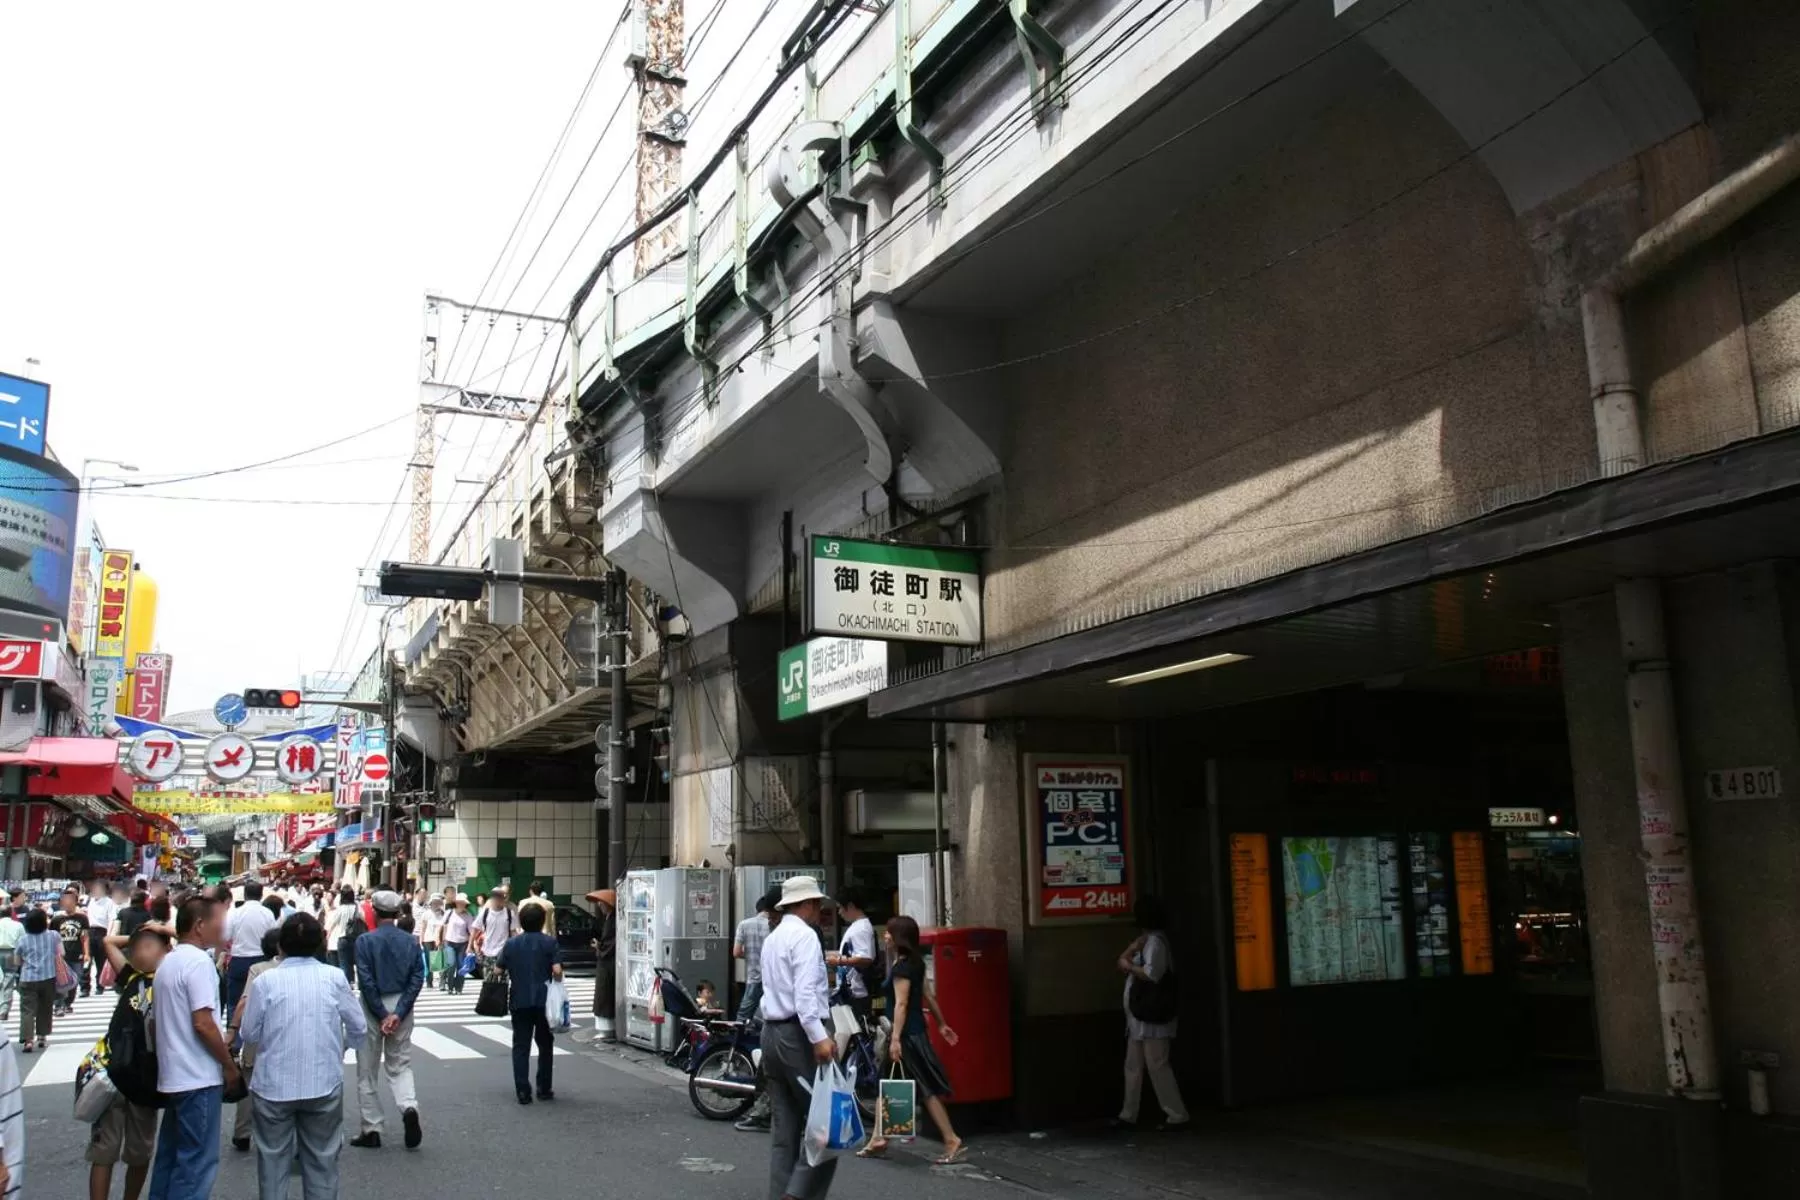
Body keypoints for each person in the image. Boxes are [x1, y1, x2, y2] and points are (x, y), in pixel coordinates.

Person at [240, 913, 366, 1200]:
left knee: (272, 1162)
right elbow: (358, 1027)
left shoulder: (266, 981)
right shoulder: (334, 978)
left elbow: (249, 1034)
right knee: (322, 1161)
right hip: (323, 1080)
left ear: (280, 947)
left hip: (273, 1083)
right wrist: (339, 1046)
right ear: (320, 944)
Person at [148, 894, 244, 1200]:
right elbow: (202, 1022)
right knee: (196, 1165)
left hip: (174, 1075)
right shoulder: (199, 963)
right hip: (198, 1076)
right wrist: (229, 1067)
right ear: (200, 925)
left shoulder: (169, 962)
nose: (223, 929)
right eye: (219, 922)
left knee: (171, 1159)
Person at [857, 915, 965, 1164]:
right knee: (891, 1081)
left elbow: (902, 1004)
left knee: (924, 1089)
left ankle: (951, 1139)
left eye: (889, 933)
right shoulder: (915, 963)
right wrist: (941, 1024)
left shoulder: (902, 968)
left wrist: (895, 1039)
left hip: (906, 1036)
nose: (885, 935)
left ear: (899, 938)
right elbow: (929, 994)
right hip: (916, 1031)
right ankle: (878, 1138)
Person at [760, 875, 840, 1200]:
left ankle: (781, 1192)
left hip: (771, 1033)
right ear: (807, 904)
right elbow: (806, 996)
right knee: (827, 1124)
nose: (819, 909)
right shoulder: (805, 937)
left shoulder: (774, 937)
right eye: (817, 903)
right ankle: (798, 1194)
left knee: (785, 1129)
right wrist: (820, 1037)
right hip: (798, 1035)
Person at [89, 923, 172, 1200]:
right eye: (138, 947)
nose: (141, 951)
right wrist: (150, 934)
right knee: (119, 1151)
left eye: (149, 946)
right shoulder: (140, 978)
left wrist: (153, 933)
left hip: (130, 1075)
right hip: (128, 1077)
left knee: (123, 1151)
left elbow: (110, 941)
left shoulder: (157, 979)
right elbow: (109, 941)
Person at [351, 890, 424, 1150]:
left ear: (376, 912)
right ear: (396, 914)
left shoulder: (364, 941)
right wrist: (398, 1012)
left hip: (374, 1005)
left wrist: (382, 1013)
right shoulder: (411, 942)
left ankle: (371, 1128)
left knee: (367, 1069)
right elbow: (418, 978)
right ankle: (408, 1107)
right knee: (400, 1064)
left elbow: (366, 980)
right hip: (401, 1003)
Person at [1114, 895, 1188, 1132]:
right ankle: (1130, 1113)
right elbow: (1123, 961)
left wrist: (1130, 967)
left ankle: (1175, 1114)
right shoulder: (1149, 941)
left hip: (1151, 1017)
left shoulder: (1156, 943)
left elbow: (1152, 973)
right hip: (1140, 1017)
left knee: (1154, 1064)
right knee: (1137, 1064)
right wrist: (1133, 949)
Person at [496, 901, 563, 1104]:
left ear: (522, 922)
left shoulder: (512, 944)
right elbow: (558, 971)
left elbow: (498, 970)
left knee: (521, 1045)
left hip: (519, 999)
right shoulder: (549, 942)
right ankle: (544, 1087)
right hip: (544, 1001)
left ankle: (523, 1090)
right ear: (542, 921)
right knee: (545, 1043)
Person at [228, 927, 284, 1153]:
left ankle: (243, 1132)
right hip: (285, 1035)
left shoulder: (259, 969)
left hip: (259, 1035)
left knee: (249, 1082)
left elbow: (244, 1002)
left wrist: (233, 1029)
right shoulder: (304, 970)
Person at [222, 880, 277, 1022]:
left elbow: (226, 936)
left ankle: (233, 1038)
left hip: (239, 959)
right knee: (260, 1002)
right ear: (260, 895)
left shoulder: (235, 913)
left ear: (245, 895)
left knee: (234, 1002)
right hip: (262, 960)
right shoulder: (268, 914)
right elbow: (273, 937)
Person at [826, 889, 877, 1025]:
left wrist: (838, 961)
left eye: (840, 908)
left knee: (857, 1031)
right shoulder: (858, 926)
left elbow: (866, 958)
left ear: (850, 906)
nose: (839, 912)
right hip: (851, 990)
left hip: (857, 992)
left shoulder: (861, 928)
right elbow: (853, 954)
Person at [14, 907, 60, 1051]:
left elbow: (17, 961)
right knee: (45, 1007)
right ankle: (42, 1036)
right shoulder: (53, 936)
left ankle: (28, 1040)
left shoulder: (23, 940)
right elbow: (61, 954)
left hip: (27, 978)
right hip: (48, 976)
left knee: (27, 1010)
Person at [732, 891, 773, 1022]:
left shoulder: (744, 924)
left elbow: (736, 952)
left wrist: (750, 954)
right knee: (772, 1014)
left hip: (753, 978)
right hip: (772, 979)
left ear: (757, 910)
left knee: (743, 1016)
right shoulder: (774, 925)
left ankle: (738, 1040)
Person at [51, 888, 89, 1010]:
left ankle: (68, 1003)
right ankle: (59, 1004)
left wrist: (86, 953)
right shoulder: (56, 919)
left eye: (69, 900)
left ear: (75, 902)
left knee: (74, 980)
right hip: (61, 955)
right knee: (61, 980)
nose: (67, 903)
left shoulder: (82, 918)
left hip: (77, 953)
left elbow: (85, 936)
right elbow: (52, 937)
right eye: (64, 900)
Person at [470, 886, 520, 968]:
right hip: (487, 952)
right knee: (488, 979)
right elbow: (476, 928)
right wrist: (471, 945)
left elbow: (514, 931)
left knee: (502, 979)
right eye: (494, 896)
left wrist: (518, 946)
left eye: (500, 896)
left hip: (503, 952)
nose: (497, 899)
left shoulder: (511, 910)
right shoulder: (485, 911)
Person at [85, 880, 119, 993]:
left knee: (100, 960)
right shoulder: (90, 901)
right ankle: (85, 987)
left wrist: (108, 935)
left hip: (102, 931)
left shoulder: (109, 902)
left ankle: (100, 986)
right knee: (87, 959)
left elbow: (112, 919)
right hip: (90, 931)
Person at [442, 894, 472, 995]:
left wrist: (470, 946)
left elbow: (472, 932)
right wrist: (441, 940)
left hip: (463, 943)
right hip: (449, 942)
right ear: (456, 903)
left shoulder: (468, 916)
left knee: (462, 967)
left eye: (464, 903)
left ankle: (458, 987)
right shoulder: (449, 913)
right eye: (460, 902)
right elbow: (443, 927)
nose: (462, 905)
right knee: (451, 965)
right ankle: (450, 987)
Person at [325, 886, 358, 975]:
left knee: (344, 964)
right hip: (355, 938)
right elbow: (363, 919)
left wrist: (327, 939)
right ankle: (351, 982)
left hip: (342, 938)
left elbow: (331, 925)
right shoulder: (357, 908)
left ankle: (345, 984)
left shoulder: (340, 909)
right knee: (352, 963)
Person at [0, 901, 22, 1022]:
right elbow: (22, 941)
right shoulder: (17, 925)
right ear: (11, 913)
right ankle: (4, 1010)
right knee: (9, 980)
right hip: (12, 952)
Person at [418, 894, 445, 989]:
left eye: (438, 903)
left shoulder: (443, 913)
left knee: (439, 961)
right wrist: (421, 939)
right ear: (431, 903)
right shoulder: (426, 913)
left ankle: (442, 983)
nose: (436, 904)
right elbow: (423, 927)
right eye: (435, 902)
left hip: (439, 940)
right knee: (430, 961)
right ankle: (429, 981)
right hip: (428, 939)